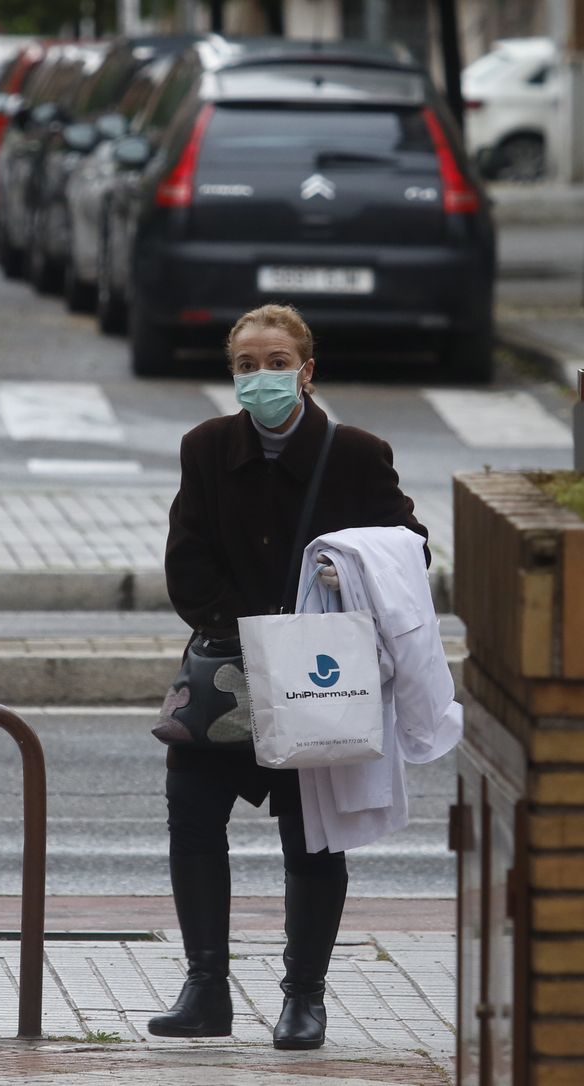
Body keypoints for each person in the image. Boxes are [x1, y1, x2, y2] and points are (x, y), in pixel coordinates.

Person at [155, 304, 428, 1050]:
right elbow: (187, 562)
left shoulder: (356, 452)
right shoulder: (206, 448)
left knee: (313, 836)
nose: (262, 377)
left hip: (317, 679)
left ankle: (304, 997)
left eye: (277, 363)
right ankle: (205, 987)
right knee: (191, 813)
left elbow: (410, 548)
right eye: (247, 365)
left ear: (307, 372)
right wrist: (249, 629)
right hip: (229, 672)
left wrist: (345, 577)